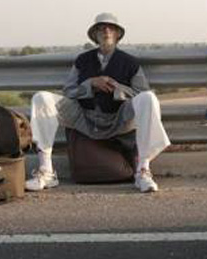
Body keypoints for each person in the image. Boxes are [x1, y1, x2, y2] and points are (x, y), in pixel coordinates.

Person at [26, 12, 170, 193]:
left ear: (117, 34)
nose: (106, 31)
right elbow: (68, 91)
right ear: (95, 35)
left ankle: (143, 171)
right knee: (41, 98)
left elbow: (141, 93)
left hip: (118, 120)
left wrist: (117, 87)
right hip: (85, 118)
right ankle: (46, 171)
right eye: (101, 28)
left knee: (149, 98)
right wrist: (90, 84)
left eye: (111, 28)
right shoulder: (82, 60)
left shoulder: (130, 63)